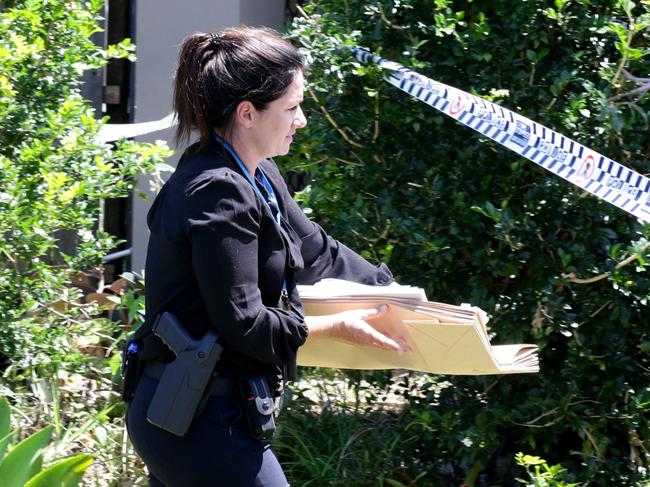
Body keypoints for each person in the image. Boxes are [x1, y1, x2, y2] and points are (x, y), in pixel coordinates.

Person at [125, 26, 408, 487]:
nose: (302, 120)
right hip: (195, 419)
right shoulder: (217, 190)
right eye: (292, 108)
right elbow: (246, 324)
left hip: (215, 411)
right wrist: (336, 328)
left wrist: (400, 298)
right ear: (247, 113)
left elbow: (317, 252)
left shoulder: (258, 173)